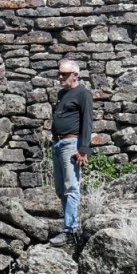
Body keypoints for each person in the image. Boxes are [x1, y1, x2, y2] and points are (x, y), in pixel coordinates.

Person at [48, 59, 92, 247]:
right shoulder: (62, 94)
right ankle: (70, 226)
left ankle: (70, 230)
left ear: (75, 75)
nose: (60, 77)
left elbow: (87, 122)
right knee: (60, 189)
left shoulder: (83, 94)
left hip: (71, 144)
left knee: (71, 187)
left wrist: (83, 149)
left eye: (64, 74)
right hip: (57, 143)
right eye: (59, 73)